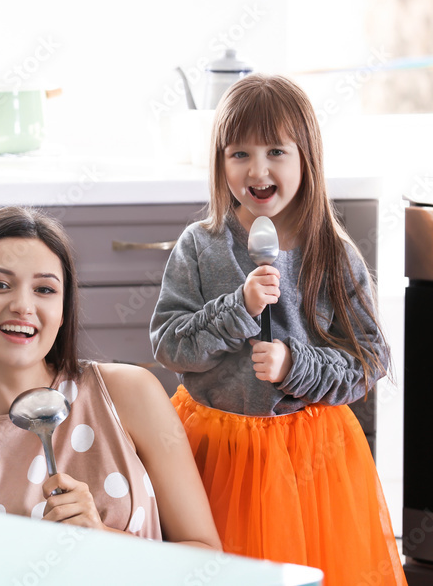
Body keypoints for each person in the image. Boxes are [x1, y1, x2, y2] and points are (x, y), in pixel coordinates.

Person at [150, 74, 405, 583]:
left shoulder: (334, 254)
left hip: (313, 457)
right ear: (220, 163)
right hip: (213, 450)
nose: (257, 169)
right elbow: (169, 343)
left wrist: (296, 364)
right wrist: (237, 309)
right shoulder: (200, 245)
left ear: (306, 159)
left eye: (275, 151)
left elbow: (370, 360)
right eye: (238, 153)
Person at [0, 207, 221, 548]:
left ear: (64, 309)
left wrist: (100, 539)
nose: (23, 305)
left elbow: (206, 558)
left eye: (45, 289)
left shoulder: (129, 394)